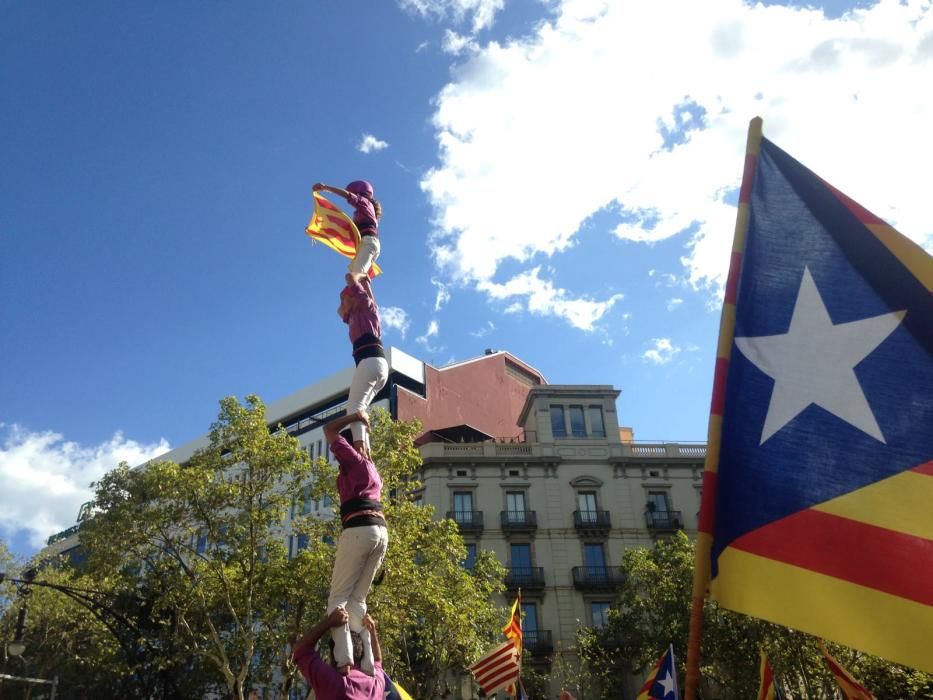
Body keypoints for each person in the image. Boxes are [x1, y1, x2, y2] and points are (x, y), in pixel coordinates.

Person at [322, 409, 388, 677]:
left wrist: (355, 416)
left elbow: (329, 430)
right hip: (380, 532)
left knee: (337, 601)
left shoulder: (354, 460)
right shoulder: (371, 468)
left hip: (359, 529)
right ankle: (369, 663)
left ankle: (344, 662)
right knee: (357, 600)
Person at [338, 272, 388, 457]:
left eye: (344, 299)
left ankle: (360, 451)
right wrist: (365, 284)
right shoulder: (354, 316)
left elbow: (350, 276)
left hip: (370, 361)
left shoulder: (367, 307)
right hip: (374, 364)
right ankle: (366, 451)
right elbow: (339, 311)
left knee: (354, 408)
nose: (341, 304)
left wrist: (360, 273)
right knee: (359, 409)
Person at [292, 607, 386, 700]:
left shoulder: (332, 682)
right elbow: (377, 660)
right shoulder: (376, 685)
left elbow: (300, 649)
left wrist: (329, 622)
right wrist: (372, 633)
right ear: (361, 653)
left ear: (333, 655)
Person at [312, 180, 382, 282]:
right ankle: (368, 295)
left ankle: (362, 285)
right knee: (358, 278)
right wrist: (316, 230)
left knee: (353, 277)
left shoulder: (365, 203)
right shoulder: (364, 212)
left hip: (368, 243)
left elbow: (348, 195)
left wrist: (326, 187)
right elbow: (341, 230)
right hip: (367, 244)